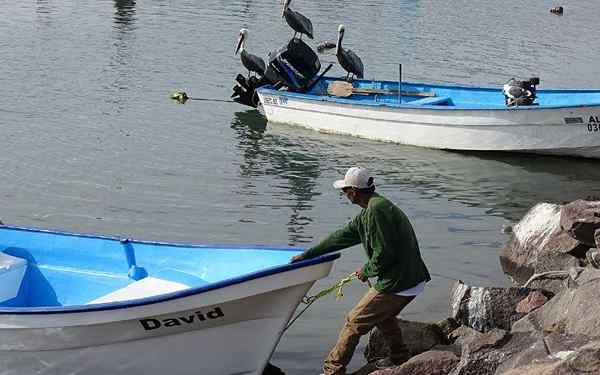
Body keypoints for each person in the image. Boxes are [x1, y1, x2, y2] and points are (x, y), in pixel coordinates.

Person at [290, 166, 431, 375]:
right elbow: (342, 235)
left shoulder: (377, 211)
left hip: (399, 281)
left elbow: (385, 253)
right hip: (408, 278)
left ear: (353, 192)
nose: (344, 195)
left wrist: (367, 270)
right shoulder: (371, 209)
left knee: (353, 322)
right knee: (384, 317)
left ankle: (332, 371)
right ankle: (400, 358)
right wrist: (309, 254)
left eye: (345, 191)